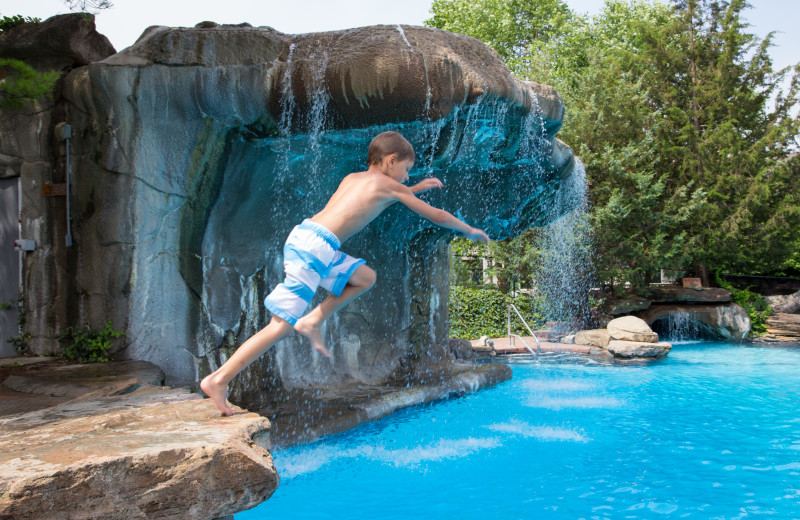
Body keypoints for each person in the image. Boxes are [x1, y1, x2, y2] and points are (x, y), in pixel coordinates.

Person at [200, 131, 489, 415]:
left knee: (365, 278)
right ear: (391, 161)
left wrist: (413, 190)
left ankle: (313, 319)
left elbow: (378, 196)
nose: (407, 177)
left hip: (308, 238)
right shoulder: (391, 187)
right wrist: (469, 230)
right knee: (281, 326)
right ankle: (219, 379)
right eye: (407, 169)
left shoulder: (354, 178)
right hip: (315, 250)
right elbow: (435, 215)